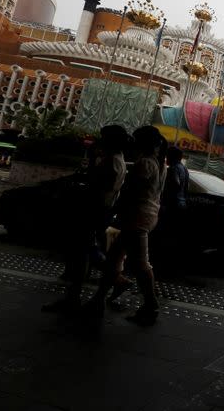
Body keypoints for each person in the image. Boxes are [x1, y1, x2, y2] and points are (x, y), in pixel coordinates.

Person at [83, 125, 166, 326]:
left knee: (140, 264)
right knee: (114, 259)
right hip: (143, 216)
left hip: (136, 218)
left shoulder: (145, 164)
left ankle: (151, 306)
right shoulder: (157, 163)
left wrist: (114, 212)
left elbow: (129, 192)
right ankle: (98, 299)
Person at [42, 125, 128, 314]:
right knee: (88, 250)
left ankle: (75, 296)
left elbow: (94, 185)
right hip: (101, 211)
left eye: (104, 137)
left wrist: (91, 162)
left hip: (93, 210)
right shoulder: (117, 160)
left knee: (81, 253)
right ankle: (115, 279)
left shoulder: (110, 161)